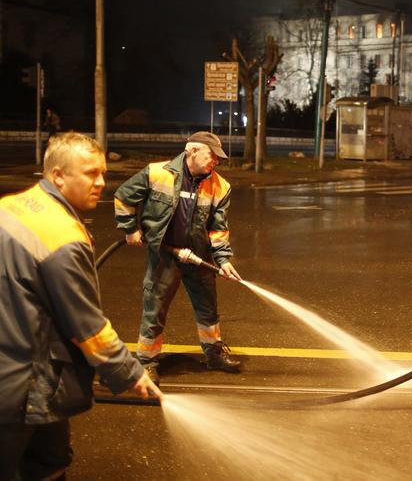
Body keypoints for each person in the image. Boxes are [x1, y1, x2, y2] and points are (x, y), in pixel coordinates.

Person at [0, 132, 161, 480]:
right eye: (90, 174)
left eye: (103, 173)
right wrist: (131, 374)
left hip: (20, 367)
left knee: (52, 458)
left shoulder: (13, 205)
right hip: (25, 381)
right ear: (58, 175)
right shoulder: (62, 236)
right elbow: (86, 324)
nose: (101, 182)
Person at [114, 131, 242, 384]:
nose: (216, 161)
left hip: (199, 256)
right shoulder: (156, 173)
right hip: (165, 255)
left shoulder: (220, 186)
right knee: (155, 308)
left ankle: (214, 354)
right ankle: (147, 362)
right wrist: (130, 229)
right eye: (212, 155)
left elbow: (218, 228)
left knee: (208, 307)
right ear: (193, 151)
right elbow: (122, 197)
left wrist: (224, 260)